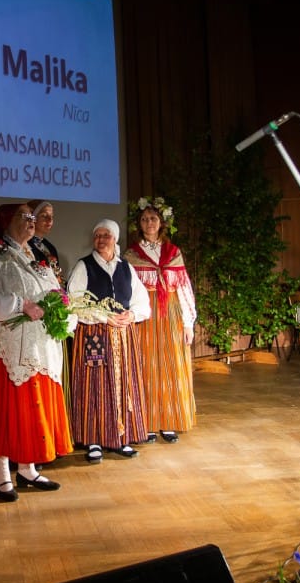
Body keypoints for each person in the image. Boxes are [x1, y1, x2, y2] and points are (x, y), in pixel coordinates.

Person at [0, 203, 73, 501]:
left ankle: (27, 468)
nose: (32, 221)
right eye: (25, 216)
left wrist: (60, 307)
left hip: (37, 346)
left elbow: (54, 291)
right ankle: (1, 474)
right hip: (5, 348)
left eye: (33, 216)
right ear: (7, 221)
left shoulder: (37, 256)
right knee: (5, 410)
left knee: (30, 409)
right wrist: (20, 305)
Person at [66, 219, 151, 462]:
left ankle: (120, 437)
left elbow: (142, 301)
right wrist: (103, 316)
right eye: (97, 235)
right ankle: (93, 439)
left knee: (123, 384)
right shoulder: (84, 266)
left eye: (106, 235)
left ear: (115, 238)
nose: (101, 239)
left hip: (123, 336)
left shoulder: (126, 267)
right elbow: (74, 302)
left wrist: (132, 315)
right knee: (94, 386)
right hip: (94, 334)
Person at [124, 198, 197, 444]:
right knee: (146, 366)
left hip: (170, 312)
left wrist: (188, 322)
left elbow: (184, 287)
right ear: (138, 223)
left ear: (162, 222)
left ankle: (169, 420)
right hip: (145, 313)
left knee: (171, 365)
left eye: (153, 218)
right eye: (144, 219)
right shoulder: (132, 254)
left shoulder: (173, 252)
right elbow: (127, 289)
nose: (149, 223)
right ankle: (147, 422)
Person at [27, 198, 71, 409]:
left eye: (51, 217)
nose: (49, 221)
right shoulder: (24, 246)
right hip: (35, 312)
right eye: (44, 216)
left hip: (52, 310)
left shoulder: (49, 247)